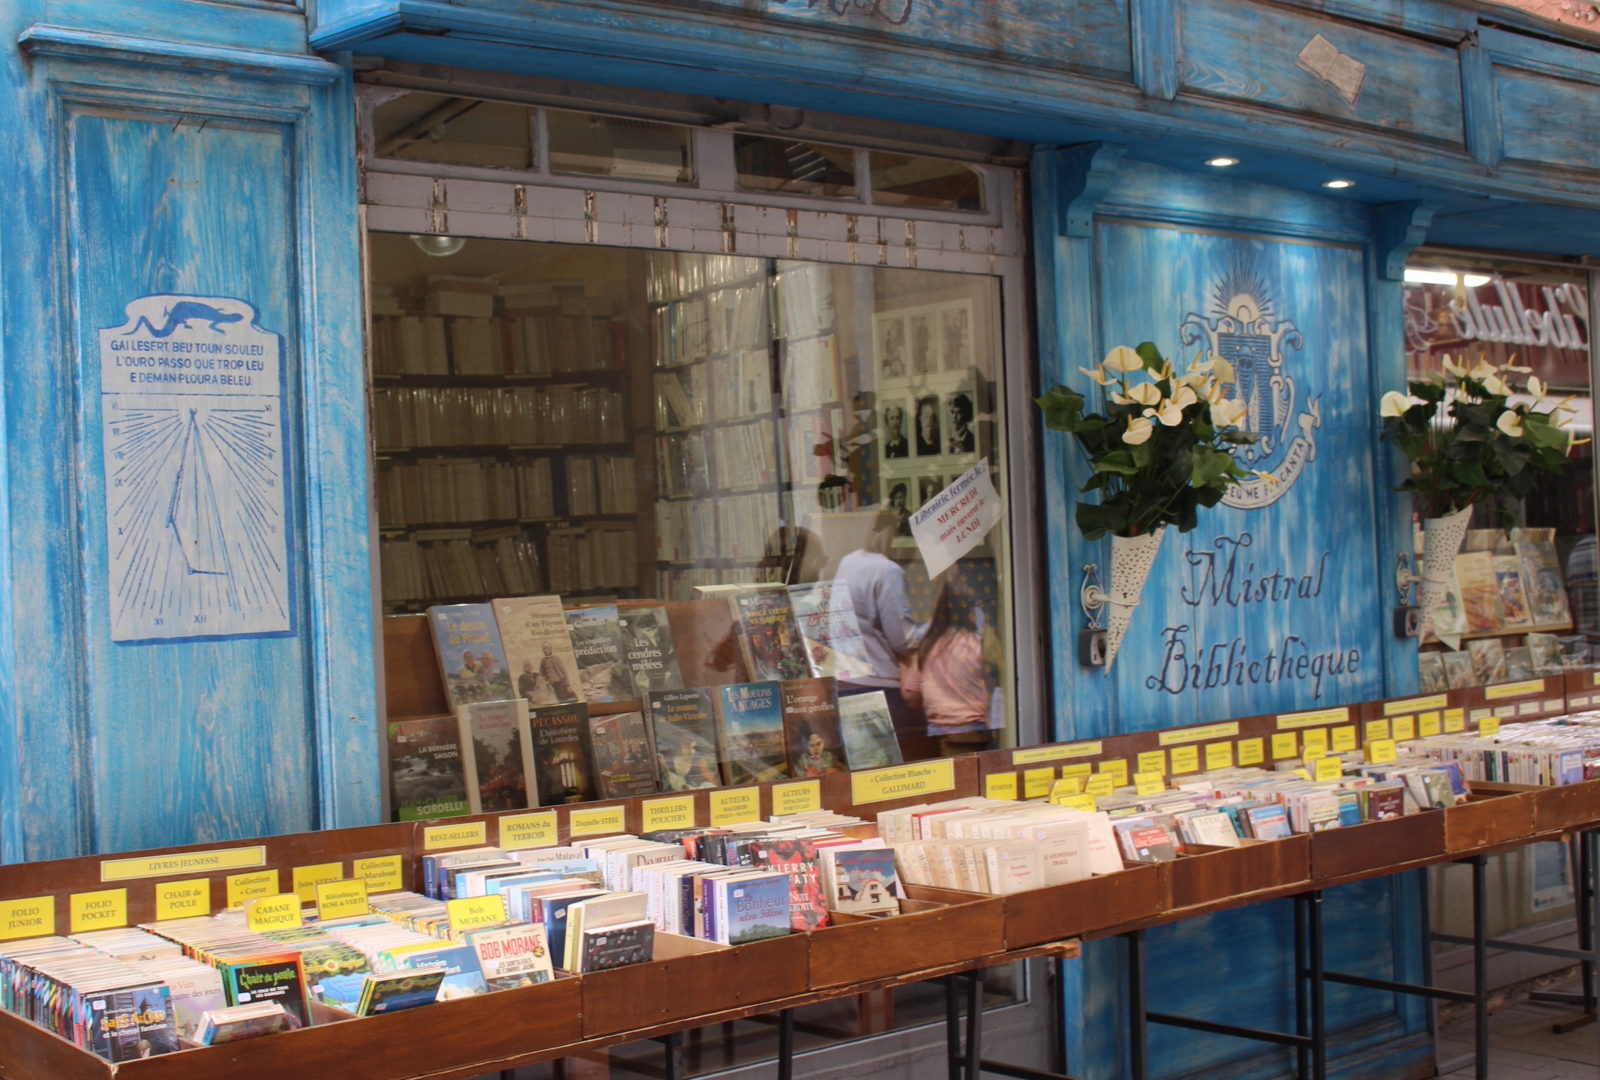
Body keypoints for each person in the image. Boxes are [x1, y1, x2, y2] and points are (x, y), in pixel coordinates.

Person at [835, 511, 924, 756]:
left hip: (845, 679)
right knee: (885, 767)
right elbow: (903, 640)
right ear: (888, 533)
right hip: (879, 685)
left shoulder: (848, 562)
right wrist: (932, 626)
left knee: (858, 763)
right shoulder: (887, 571)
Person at [903, 572, 995, 756]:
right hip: (973, 732)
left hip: (936, 733)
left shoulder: (927, 647)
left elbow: (910, 694)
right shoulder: (977, 645)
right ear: (969, 609)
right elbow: (995, 683)